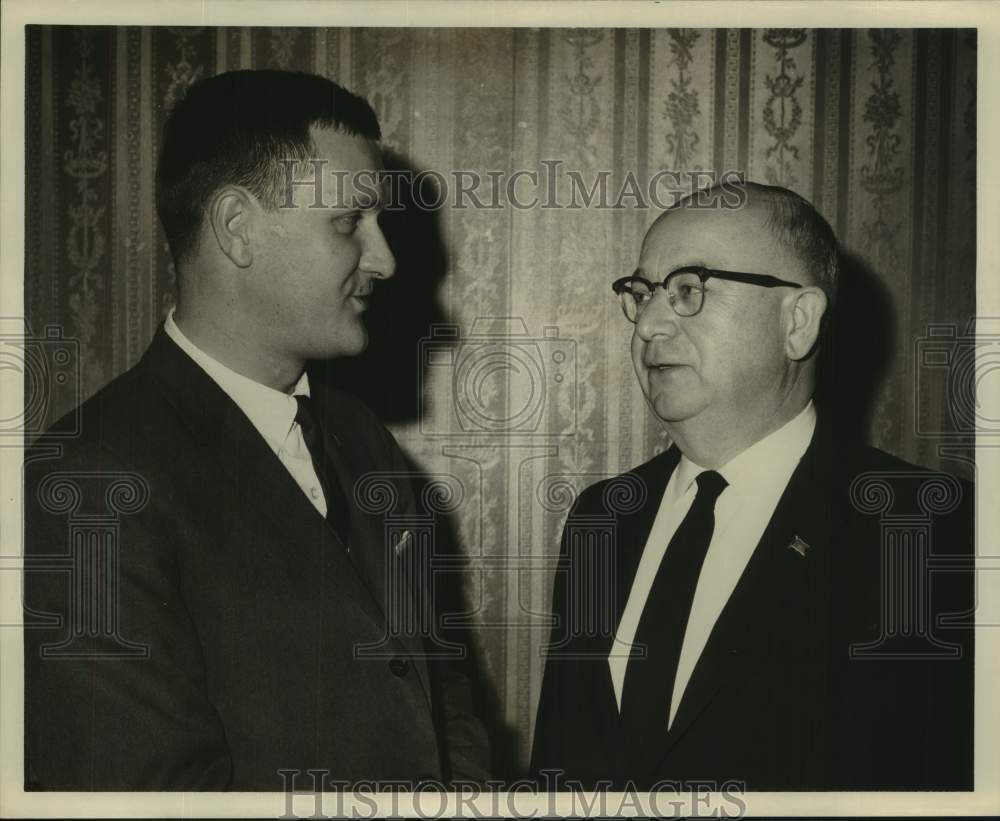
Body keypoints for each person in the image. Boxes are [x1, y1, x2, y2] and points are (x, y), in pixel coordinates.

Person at [24, 70, 488, 791]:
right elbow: (147, 791)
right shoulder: (88, 481)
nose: (386, 258)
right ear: (238, 228)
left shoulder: (360, 438)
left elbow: (439, 696)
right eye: (349, 222)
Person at [530, 182, 974, 791]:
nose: (650, 325)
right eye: (642, 294)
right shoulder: (602, 519)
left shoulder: (931, 532)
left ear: (797, 322)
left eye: (689, 290)